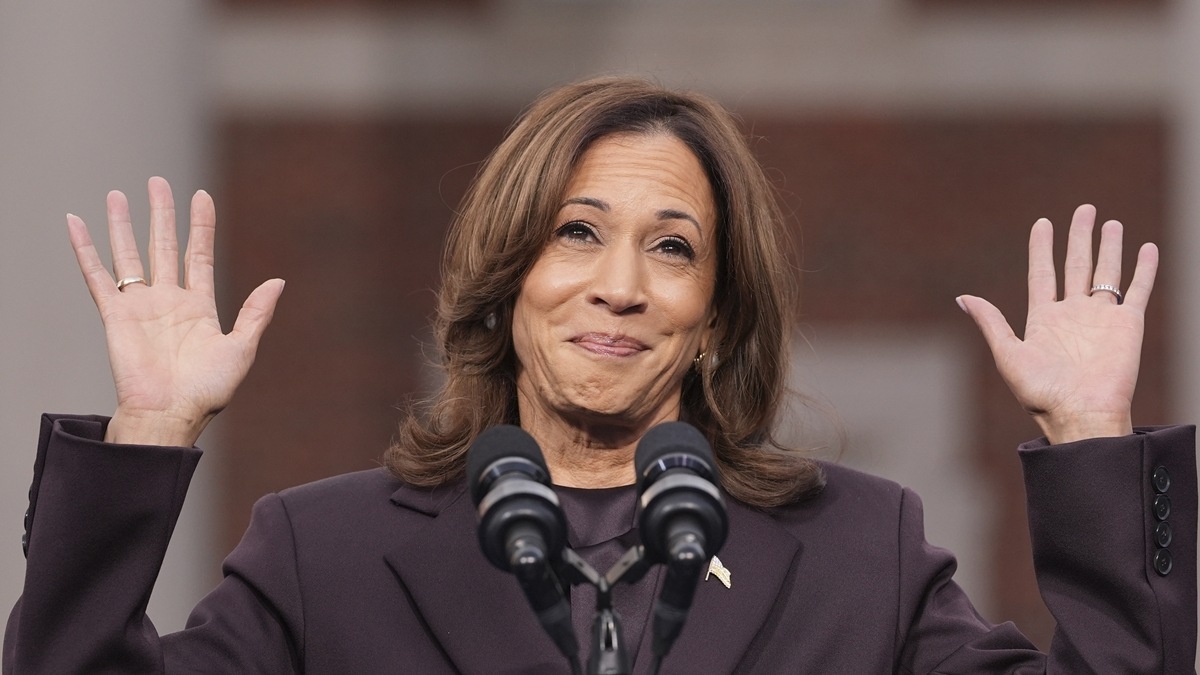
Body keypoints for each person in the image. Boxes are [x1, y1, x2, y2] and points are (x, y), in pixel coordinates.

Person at [3, 76, 1195, 674]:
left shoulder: (859, 556)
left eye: (672, 249)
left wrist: (1092, 437)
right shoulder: (324, 557)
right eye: (577, 233)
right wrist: (150, 430)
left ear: (716, 315)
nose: (618, 285)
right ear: (506, 273)